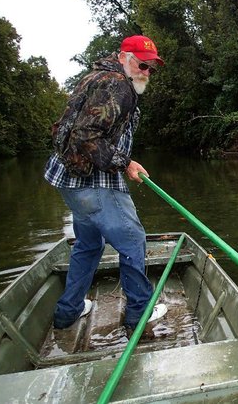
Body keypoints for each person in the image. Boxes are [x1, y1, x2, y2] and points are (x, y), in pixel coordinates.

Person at [44, 35, 167, 332]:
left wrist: (123, 161)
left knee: (88, 243)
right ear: (124, 57)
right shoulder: (117, 85)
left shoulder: (96, 76)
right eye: (141, 64)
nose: (146, 72)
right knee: (133, 240)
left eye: (151, 68)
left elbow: (88, 133)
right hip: (93, 182)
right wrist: (125, 163)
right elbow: (87, 137)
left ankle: (68, 311)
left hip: (68, 180)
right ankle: (140, 311)